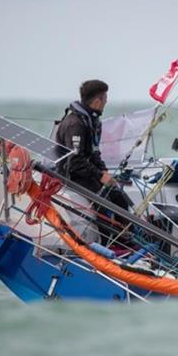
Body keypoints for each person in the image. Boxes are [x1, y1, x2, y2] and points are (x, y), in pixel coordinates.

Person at [55, 79, 133, 245]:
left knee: (120, 198)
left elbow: (95, 153)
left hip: (88, 172)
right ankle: (105, 247)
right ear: (97, 101)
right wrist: (99, 176)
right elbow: (75, 161)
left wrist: (104, 172)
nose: (106, 102)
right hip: (72, 175)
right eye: (105, 98)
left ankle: (124, 244)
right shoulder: (75, 124)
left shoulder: (93, 120)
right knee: (103, 203)